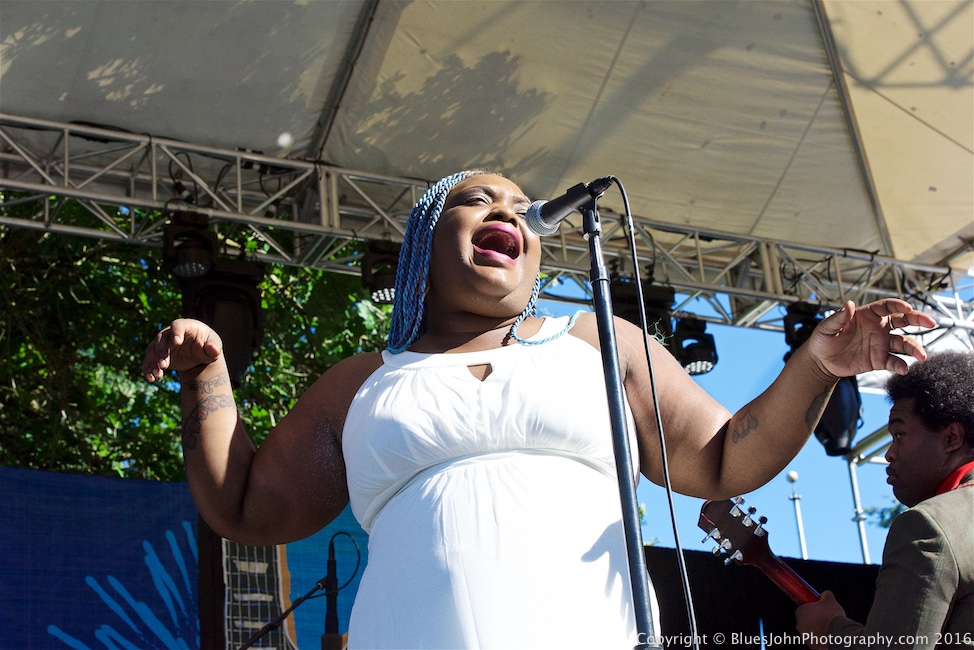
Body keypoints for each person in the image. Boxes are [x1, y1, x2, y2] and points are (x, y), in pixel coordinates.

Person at [143, 170, 936, 649]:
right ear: (426, 238)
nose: (506, 213)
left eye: (521, 207)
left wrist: (816, 364)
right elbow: (246, 507)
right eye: (476, 200)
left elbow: (726, 459)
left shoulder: (597, 340)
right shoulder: (366, 381)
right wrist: (208, 376)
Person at [796, 351, 974, 650]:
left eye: (900, 433)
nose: (888, 454)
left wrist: (830, 631)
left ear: (951, 438)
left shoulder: (929, 527)